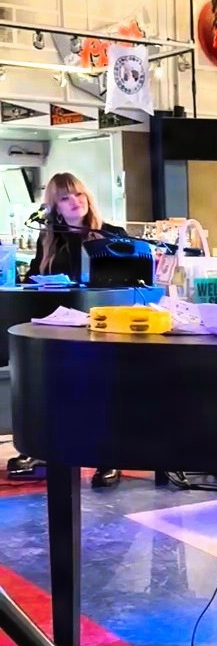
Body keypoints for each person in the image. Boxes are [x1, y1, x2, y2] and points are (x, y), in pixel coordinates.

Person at [8, 172, 126, 489]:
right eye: (65, 198)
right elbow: (34, 278)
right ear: (55, 207)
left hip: (101, 329)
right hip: (59, 327)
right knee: (53, 390)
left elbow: (125, 282)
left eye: (79, 195)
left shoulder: (112, 235)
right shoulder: (49, 240)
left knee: (99, 393)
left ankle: (108, 457)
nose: (75, 201)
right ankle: (47, 452)